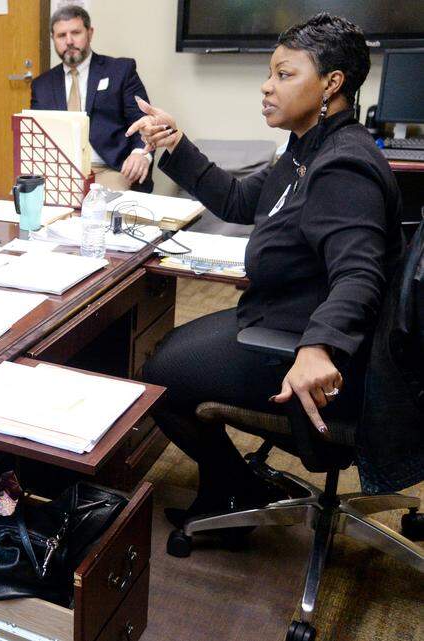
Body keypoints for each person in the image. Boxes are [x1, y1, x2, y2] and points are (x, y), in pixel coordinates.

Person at [131, 14, 402, 527]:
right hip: (280, 319)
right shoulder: (306, 149)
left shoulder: (343, 166)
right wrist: (174, 143)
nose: (267, 86)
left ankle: (233, 489)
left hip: (315, 352)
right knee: (171, 353)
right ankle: (232, 485)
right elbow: (237, 200)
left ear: (331, 84)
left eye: (284, 74)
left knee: (160, 379)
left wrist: (319, 346)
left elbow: (359, 275)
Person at [30, 5, 153, 192]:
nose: (69, 41)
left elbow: (145, 122)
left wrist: (140, 154)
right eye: (61, 36)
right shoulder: (42, 85)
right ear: (53, 39)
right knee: (22, 202)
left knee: (99, 211)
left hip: (110, 170)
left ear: (90, 32)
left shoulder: (120, 71)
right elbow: (37, 138)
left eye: (76, 33)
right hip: (60, 174)